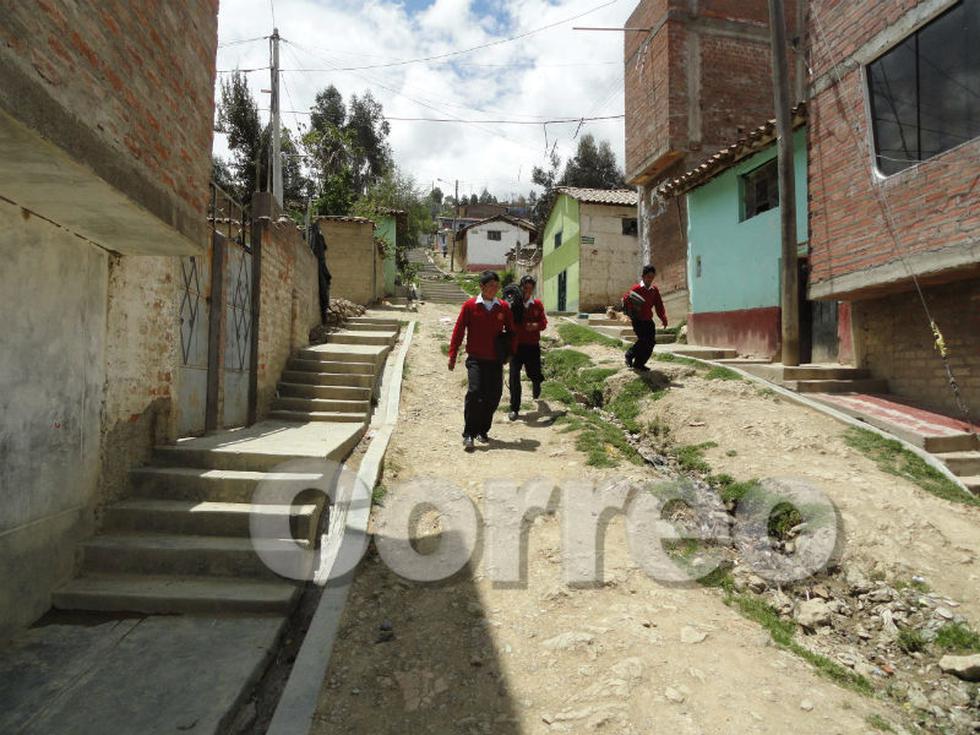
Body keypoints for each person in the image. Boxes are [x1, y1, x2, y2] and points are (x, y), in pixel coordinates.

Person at [448, 271, 517, 451]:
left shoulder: (503, 307)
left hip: (495, 360)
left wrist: (511, 352)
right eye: (491, 285)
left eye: (497, 286)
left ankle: (483, 430)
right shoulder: (470, 306)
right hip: (476, 360)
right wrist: (453, 355)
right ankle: (469, 433)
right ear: (482, 286)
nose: (495, 289)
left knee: (493, 396)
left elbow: (511, 332)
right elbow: (459, 330)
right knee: (475, 392)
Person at [507, 275, 547, 421]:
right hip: (516, 347)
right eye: (525, 288)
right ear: (521, 287)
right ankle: (514, 408)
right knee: (514, 377)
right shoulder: (513, 303)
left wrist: (534, 326)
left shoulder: (537, 304)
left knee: (534, 372)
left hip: (532, 346)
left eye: (530, 289)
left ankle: (536, 383)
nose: (527, 291)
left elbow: (543, 323)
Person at [623, 265, 668, 372]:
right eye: (648, 276)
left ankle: (639, 364)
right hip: (638, 320)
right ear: (643, 276)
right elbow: (626, 299)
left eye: (652, 277)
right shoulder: (636, 289)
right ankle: (629, 355)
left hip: (648, 320)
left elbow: (659, 305)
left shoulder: (654, 290)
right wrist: (629, 311)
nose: (650, 279)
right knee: (643, 340)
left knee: (651, 343)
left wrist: (663, 318)